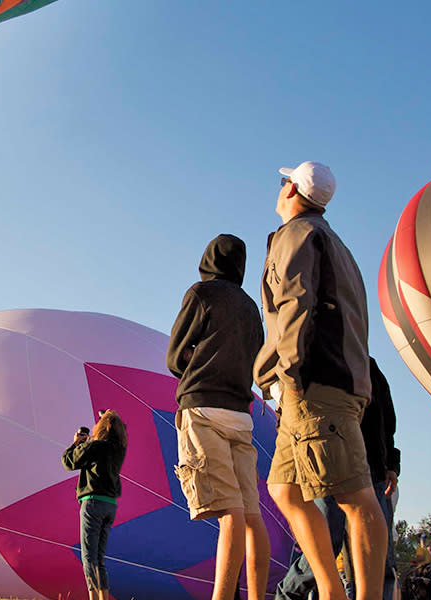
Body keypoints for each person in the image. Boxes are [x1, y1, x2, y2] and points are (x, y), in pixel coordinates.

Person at [254, 160, 386, 600]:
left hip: (314, 384)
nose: (279, 188)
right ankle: (332, 592)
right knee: (284, 488)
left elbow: (294, 306)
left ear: (292, 189)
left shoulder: (297, 236)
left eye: (282, 181)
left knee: (355, 498)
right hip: (327, 380)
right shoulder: (334, 242)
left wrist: (286, 374)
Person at [167, 233, 269, 600]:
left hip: (204, 409)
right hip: (241, 415)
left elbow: (175, 356)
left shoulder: (201, 294)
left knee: (229, 513)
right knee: (250, 515)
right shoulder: (251, 309)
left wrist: (200, 366)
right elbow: (257, 360)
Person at [275, 359, 402, 600]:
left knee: (380, 557)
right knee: (323, 545)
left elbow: (386, 417)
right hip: (328, 464)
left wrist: (391, 464)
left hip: (371, 467)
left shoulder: (369, 367)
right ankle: (287, 596)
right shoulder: (316, 359)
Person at [62, 410, 128, 600]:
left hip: (93, 504)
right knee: (99, 558)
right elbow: (119, 427)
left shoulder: (95, 446)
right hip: (110, 506)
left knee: (88, 557)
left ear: (101, 428)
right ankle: (104, 597)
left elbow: (69, 462)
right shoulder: (119, 448)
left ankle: (93, 597)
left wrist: (76, 443)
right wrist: (108, 417)